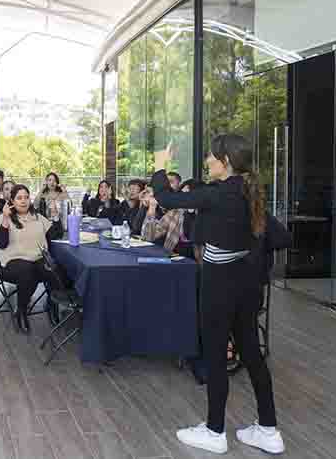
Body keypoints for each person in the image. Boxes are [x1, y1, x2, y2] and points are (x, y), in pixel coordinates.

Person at [152, 134, 283, 455]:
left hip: (219, 284)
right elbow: (278, 236)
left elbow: (167, 199)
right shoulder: (248, 191)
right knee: (251, 352)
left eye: (211, 157)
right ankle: (268, 429)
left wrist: (159, 166)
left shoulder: (217, 194)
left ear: (224, 162)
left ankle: (214, 431)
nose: (207, 162)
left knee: (214, 354)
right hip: (247, 285)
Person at [0, 184, 64, 334]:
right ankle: (21, 311)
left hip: (35, 260)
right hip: (9, 261)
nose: (23, 201)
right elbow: (1, 244)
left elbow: (56, 235)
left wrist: (56, 216)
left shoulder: (38, 217)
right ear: (12, 201)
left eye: (26, 197)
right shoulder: (4, 218)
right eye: (19, 198)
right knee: (28, 270)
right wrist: (5, 217)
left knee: (53, 269)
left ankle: (52, 303)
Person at [142, 180, 197, 255]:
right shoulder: (175, 212)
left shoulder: (204, 213)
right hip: (172, 257)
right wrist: (151, 208)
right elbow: (148, 237)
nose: (184, 198)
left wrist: (191, 213)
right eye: (182, 194)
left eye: (187, 194)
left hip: (195, 260)